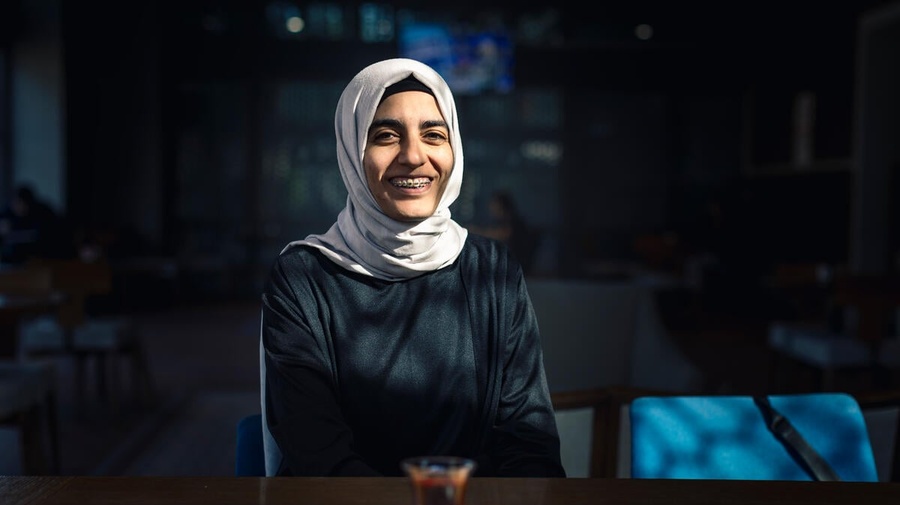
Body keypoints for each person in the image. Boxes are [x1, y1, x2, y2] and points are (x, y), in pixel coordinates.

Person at [260, 58, 565, 477]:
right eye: (386, 135)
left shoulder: (490, 269)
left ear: (453, 148)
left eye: (434, 135)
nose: (413, 156)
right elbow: (319, 456)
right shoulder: (303, 277)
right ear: (352, 151)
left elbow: (528, 442)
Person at [0, 184, 75, 264]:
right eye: (15, 203)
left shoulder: (42, 213)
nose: (18, 206)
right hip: (14, 260)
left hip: (43, 257)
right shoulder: (7, 214)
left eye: (21, 202)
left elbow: (50, 237)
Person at [470, 190, 540, 274]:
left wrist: (475, 231)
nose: (490, 208)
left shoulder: (513, 222)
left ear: (500, 205)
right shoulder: (504, 221)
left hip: (515, 268)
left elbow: (500, 234)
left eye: (493, 204)